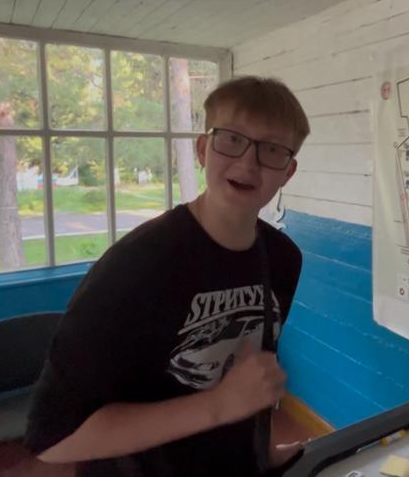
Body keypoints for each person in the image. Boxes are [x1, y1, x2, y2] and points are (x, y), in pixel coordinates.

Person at [25, 76, 311, 476]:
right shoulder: (134, 266)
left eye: (272, 149)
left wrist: (261, 453)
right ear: (202, 149)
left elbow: (245, 385)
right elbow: (54, 439)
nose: (248, 163)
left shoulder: (282, 259)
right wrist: (217, 406)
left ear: (288, 172)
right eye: (232, 139)